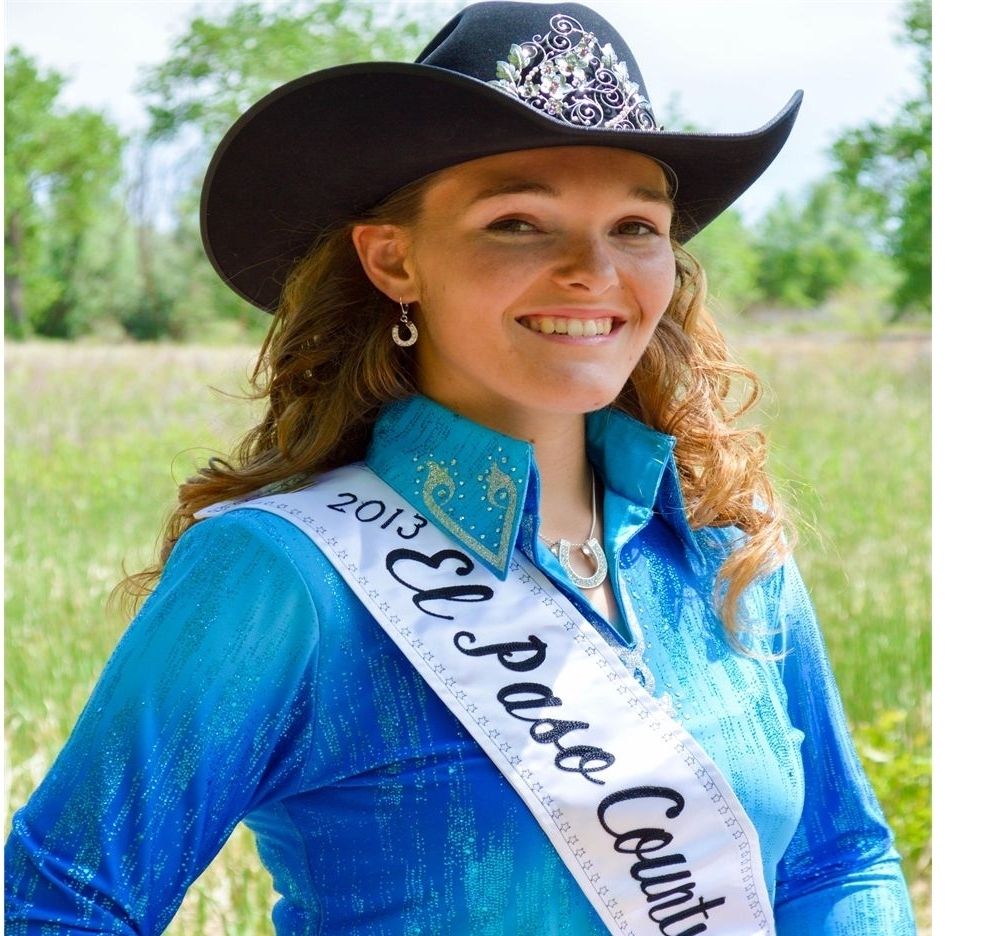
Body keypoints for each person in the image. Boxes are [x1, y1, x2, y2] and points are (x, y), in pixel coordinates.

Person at [5, 3, 916, 934]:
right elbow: (59, 905)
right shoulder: (285, 573)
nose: (592, 271)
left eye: (636, 226)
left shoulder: (725, 543)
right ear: (393, 257)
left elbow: (839, 861)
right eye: (519, 221)